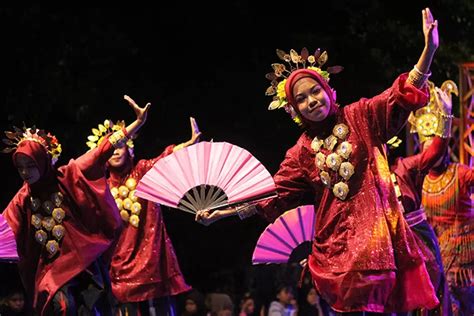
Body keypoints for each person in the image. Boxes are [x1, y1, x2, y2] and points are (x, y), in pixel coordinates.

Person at [196, 7, 440, 314]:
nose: (312, 101)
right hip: (333, 254)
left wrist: (428, 51)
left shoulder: (361, 116)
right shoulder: (301, 152)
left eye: (315, 92)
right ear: (294, 110)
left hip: (375, 247)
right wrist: (222, 213)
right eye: (302, 99)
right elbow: (269, 193)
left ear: (328, 90)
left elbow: (399, 96)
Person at [1, 95, 149, 315]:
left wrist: (137, 123)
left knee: (95, 307)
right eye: (20, 166)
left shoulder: (68, 175)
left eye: (30, 165)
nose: (25, 172)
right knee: (62, 307)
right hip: (52, 270)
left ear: (42, 161)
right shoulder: (22, 198)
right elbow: (4, 228)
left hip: (85, 261)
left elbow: (101, 152)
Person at [85, 99, 200, 315]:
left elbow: (165, 159)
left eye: (120, 145)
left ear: (130, 149)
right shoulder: (101, 188)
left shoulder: (143, 172)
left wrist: (188, 144)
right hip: (119, 271)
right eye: (111, 149)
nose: (116, 152)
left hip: (151, 268)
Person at [388, 82, 454, 315]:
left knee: (429, 296)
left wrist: (446, 114)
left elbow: (435, 151)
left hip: (418, 238)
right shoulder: (361, 178)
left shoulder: (404, 167)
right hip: (385, 244)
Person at [414, 83, 474, 315]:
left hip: (464, 257)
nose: (432, 154)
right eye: (427, 150)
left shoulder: (461, 173)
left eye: (436, 149)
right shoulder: (419, 180)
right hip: (435, 254)